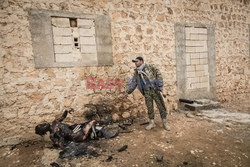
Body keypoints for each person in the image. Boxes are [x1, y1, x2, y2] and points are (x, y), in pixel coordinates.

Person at [126, 57, 170, 131]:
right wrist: (128, 91)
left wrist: (160, 86)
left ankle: (165, 122)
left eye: (136, 61)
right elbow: (134, 82)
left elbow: (158, 74)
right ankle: (152, 122)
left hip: (155, 89)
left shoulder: (150, 66)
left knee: (161, 106)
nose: (135, 63)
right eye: (134, 62)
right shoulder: (137, 72)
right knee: (149, 107)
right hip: (147, 91)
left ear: (141, 61)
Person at [35, 108, 117, 148]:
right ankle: (106, 130)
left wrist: (67, 111)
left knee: (88, 123)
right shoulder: (53, 135)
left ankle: (104, 128)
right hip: (76, 135)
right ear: (43, 130)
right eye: (41, 126)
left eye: (41, 124)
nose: (43, 124)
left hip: (74, 129)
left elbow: (63, 116)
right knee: (92, 122)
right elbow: (62, 144)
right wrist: (62, 137)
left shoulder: (54, 122)